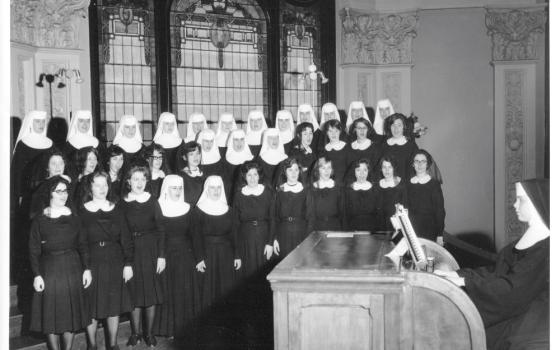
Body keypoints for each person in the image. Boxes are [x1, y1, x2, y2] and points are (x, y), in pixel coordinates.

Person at [435, 179, 549, 350]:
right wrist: (459, 275)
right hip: (512, 306)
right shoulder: (531, 236)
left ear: (537, 203)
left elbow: (513, 289)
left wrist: (466, 282)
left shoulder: (546, 247)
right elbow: (497, 271)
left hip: (527, 318)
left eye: (521, 200)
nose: (515, 205)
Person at [28, 176, 91, 350]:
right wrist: (37, 275)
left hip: (72, 268)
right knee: (51, 315)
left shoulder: (74, 217)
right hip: (50, 269)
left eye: (65, 191)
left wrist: (86, 269)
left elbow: (83, 245)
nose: (63, 195)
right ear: (50, 194)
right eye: (58, 191)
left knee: (69, 315)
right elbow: (33, 250)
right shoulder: (40, 220)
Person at [80, 171, 133, 350]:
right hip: (93, 260)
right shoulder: (83, 210)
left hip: (114, 260)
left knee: (113, 304)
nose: (102, 189)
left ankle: (112, 344)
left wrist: (128, 263)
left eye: (105, 185)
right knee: (92, 305)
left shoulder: (117, 208)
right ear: (90, 187)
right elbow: (81, 242)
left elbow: (126, 237)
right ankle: (92, 345)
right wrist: (85, 267)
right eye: (97, 185)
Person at [120, 165, 166, 347]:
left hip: (150, 250)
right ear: (128, 182)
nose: (139, 183)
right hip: (131, 250)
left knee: (150, 292)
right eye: (135, 179)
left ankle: (149, 333)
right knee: (134, 292)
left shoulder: (152, 200)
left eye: (142, 179)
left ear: (147, 181)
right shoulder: (122, 203)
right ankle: (135, 333)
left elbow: (161, 229)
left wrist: (161, 255)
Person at [153, 175, 200, 342]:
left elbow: (194, 235)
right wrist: (161, 255)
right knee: (168, 290)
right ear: (166, 189)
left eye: (180, 188)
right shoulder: (158, 208)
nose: (178, 191)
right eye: (174, 188)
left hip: (185, 255)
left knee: (183, 291)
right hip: (165, 255)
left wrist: (198, 258)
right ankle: (170, 328)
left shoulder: (188, 207)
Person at [192, 176, 241, 317]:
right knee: (207, 289)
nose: (216, 191)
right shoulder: (198, 210)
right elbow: (195, 236)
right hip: (207, 254)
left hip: (226, 254)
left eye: (219, 188)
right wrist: (199, 258)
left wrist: (236, 255)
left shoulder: (229, 210)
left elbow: (234, 235)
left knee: (225, 289)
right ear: (207, 190)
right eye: (212, 188)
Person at [12, 110, 54, 212]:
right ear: (31, 122)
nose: (41, 124)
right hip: (28, 192)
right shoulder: (23, 144)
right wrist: (19, 195)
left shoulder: (50, 143)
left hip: (47, 189)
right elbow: (17, 172)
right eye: (37, 121)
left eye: (43, 121)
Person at [270, 158, 312, 258]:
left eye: (296, 170)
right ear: (285, 172)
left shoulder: (306, 191)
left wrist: (308, 240)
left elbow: (310, 218)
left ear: (299, 172)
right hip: (282, 234)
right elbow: (274, 217)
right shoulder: (279, 191)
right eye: (290, 170)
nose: (293, 173)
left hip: (301, 234)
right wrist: (274, 238)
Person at [405, 149, 445, 242]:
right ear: (412, 164)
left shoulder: (434, 185)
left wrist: (440, 235)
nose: (419, 164)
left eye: (423, 161)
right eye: (416, 161)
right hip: (412, 230)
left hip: (429, 230)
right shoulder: (408, 184)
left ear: (427, 164)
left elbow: (439, 211)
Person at [63, 110, 105, 179]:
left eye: (88, 121)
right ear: (76, 122)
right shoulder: (69, 145)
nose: (85, 124)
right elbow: (67, 169)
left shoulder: (97, 143)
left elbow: (102, 166)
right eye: (81, 121)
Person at [308, 156, 345, 231]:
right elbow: (310, 215)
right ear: (317, 170)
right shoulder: (311, 189)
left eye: (329, 168)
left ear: (332, 170)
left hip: (335, 227)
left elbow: (343, 214)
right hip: (317, 228)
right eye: (323, 168)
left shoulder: (338, 187)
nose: (326, 171)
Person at [379, 113, 418, 180]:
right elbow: (380, 168)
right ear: (389, 127)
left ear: (404, 127)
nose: (396, 129)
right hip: (387, 185)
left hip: (405, 185)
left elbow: (414, 169)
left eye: (399, 125)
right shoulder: (384, 145)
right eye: (393, 125)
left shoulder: (411, 146)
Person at [375, 156, 406, 232]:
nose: (387, 170)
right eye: (384, 167)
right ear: (380, 169)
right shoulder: (377, 185)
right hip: (380, 225)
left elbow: (405, 207)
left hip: (397, 226)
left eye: (390, 167)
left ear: (394, 168)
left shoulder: (401, 184)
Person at [345, 159, 377, 232]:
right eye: (358, 170)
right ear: (354, 172)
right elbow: (345, 215)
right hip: (353, 230)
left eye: (365, 170)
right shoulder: (348, 190)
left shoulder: (375, 190)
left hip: (372, 230)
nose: (361, 173)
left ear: (368, 171)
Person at [224, 129, 254, 200]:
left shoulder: (252, 160)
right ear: (231, 141)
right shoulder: (225, 161)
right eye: (236, 140)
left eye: (241, 139)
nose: (239, 143)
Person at [320, 119, 349, 185]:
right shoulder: (324, 149)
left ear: (340, 131)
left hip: (344, 183)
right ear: (326, 132)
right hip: (329, 183)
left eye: (336, 131)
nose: (333, 134)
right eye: (330, 131)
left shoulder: (346, 147)